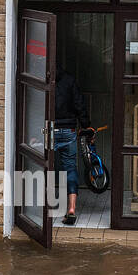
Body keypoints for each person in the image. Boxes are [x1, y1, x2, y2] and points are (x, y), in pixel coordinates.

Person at [53, 70, 91, 225]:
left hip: (49, 129)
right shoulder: (69, 79)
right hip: (69, 129)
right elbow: (79, 104)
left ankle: (38, 212)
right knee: (70, 168)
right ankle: (72, 208)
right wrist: (86, 125)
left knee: (44, 165)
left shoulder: (42, 79)